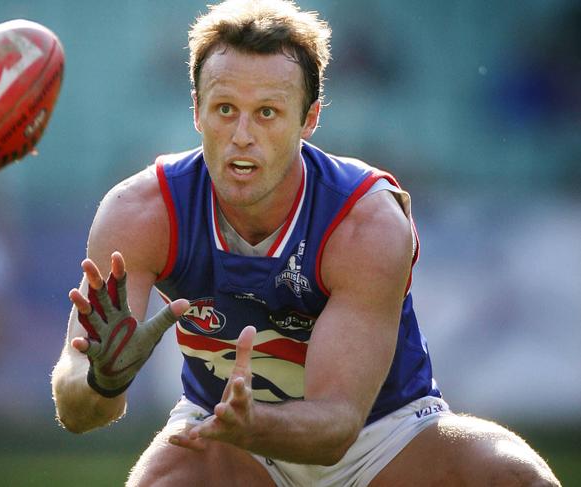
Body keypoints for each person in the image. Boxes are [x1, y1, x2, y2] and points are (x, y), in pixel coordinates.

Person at [51, 1, 561, 485]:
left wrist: (254, 424)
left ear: (310, 118)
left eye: (267, 112)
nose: (242, 136)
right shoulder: (142, 211)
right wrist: (101, 380)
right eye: (225, 109)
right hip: (226, 434)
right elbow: (78, 413)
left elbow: (338, 426)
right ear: (196, 112)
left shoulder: (364, 220)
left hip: (382, 435)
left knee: (517, 478)